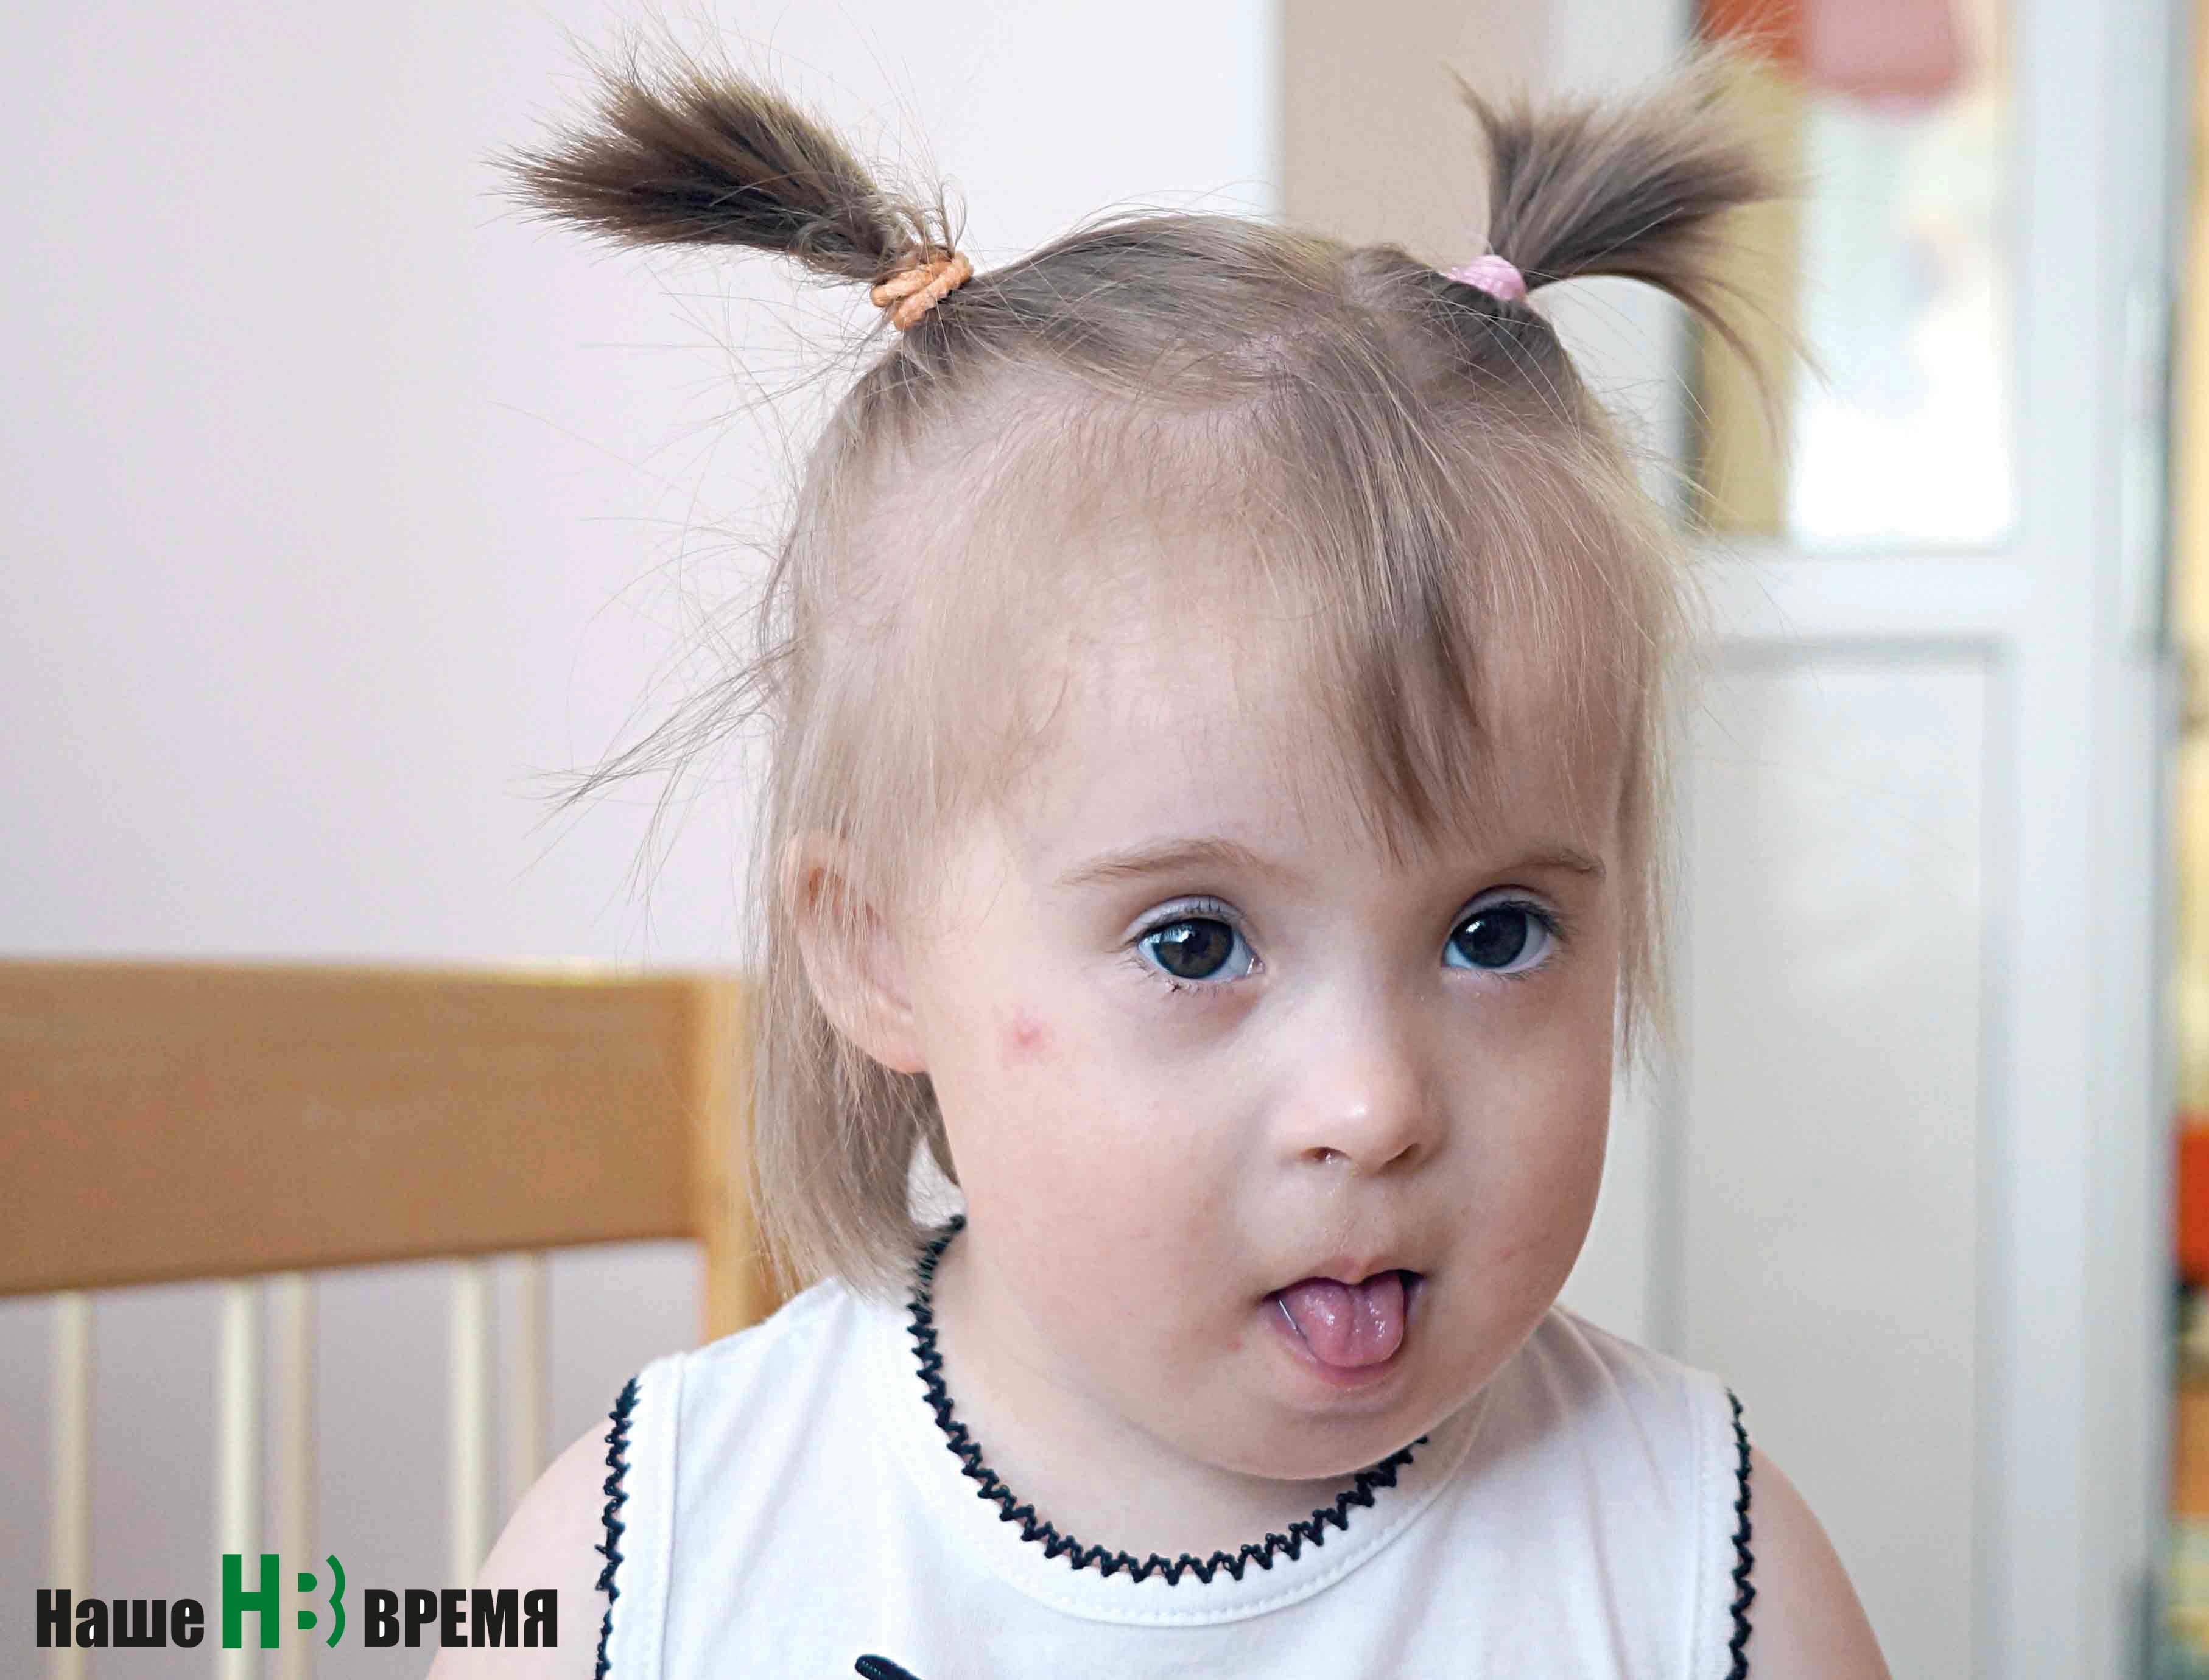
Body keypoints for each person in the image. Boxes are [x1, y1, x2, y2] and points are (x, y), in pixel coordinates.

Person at [440, 43, 1888, 1679]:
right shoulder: (649, 1558)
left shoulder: (1703, 1566)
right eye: (1194, 943)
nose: (1374, 1107)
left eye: (1494, 932)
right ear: (878, 949)